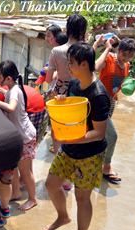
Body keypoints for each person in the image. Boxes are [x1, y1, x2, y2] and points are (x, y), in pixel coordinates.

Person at [44, 42, 110, 230]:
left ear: (84, 64)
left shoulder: (99, 95)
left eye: (71, 63)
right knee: (51, 184)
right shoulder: (73, 84)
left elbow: (99, 133)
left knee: (82, 197)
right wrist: (62, 102)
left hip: (89, 154)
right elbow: (73, 114)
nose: (68, 66)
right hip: (69, 148)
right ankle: (63, 216)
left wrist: (73, 138)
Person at [0, 60, 37, 211]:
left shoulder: (15, 91)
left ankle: (33, 199)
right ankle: (16, 193)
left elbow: (12, 107)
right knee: (15, 167)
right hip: (21, 136)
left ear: (8, 78)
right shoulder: (13, 89)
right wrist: (2, 91)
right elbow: (12, 97)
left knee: (26, 172)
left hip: (25, 137)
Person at [93, 37, 135, 184]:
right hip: (99, 103)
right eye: (124, 55)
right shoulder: (110, 59)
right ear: (119, 51)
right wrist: (107, 49)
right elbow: (95, 68)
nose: (126, 59)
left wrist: (118, 92)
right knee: (112, 136)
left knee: (102, 135)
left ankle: (95, 164)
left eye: (130, 56)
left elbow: (117, 81)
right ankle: (106, 167)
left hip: (110, 102)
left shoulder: (126, 65)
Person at [46, 14, 88, 157]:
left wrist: (57, 72)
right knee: (77, 127)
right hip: (80, 92)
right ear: (83, 30)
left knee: (57, 126)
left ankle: (59, 157)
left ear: (67, 29)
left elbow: (48, 79)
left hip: (59, 92)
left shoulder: (56, 51)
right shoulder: (85, 50)